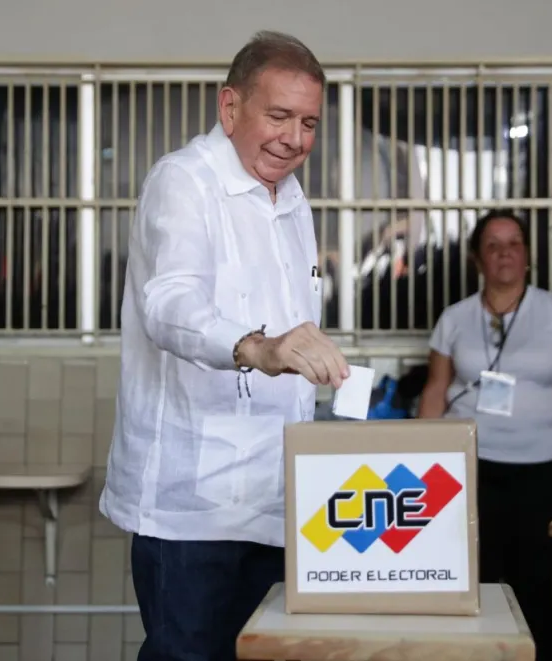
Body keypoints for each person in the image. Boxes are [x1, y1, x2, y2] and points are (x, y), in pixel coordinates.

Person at [99, 31, 350, 661]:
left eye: (310, 123)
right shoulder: (185, 181)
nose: (295, 139)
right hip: (195, 506)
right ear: (230, 108)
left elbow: (295, 330)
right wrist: (257, 349)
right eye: (280, 116)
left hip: (276, 498)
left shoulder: (291, 199)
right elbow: (170, 304)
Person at [417, 210, 552, 661]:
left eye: (514, 243)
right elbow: (436, 388)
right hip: (469, 468)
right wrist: (419, 458)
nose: (505, 253)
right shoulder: (455, 318)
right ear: (477, 258)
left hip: (544, 468)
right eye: (493, 245)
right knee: (477, 577)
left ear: (528, 256)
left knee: (534, 581)